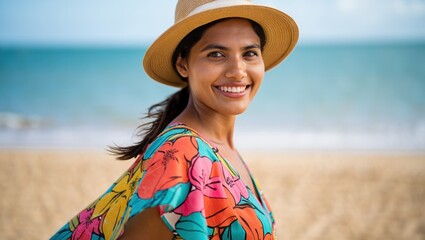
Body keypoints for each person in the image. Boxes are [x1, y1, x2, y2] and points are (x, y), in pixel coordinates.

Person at [52, 0, 298, 239]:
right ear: (183, 64)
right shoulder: (181, 154)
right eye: (216, 54)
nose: (237, 70)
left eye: (250, 53)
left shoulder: (218, 148)